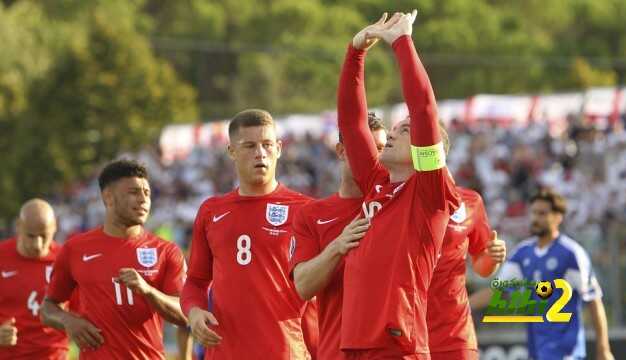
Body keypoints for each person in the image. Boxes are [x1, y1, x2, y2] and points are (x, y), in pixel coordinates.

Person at [337, 11, 460, 358]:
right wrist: (355, 52)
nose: (391, 133)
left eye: (402, 131)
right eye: (393, 129)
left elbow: (422, 110)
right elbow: (351, 122)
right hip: (355, 345)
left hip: (397, 345)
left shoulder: (430, 189)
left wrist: (403, 41)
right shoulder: (377, 183)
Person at [180, 109, 314, 359]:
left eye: (267, 145)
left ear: (280, 148)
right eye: (250, 146)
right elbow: (196, 281)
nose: (260, 153)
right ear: (231, 151)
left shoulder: (305, 210)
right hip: (224, 352)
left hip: (285, 351)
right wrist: (194, 310)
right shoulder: (211, 211)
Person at [41, 159, 188, 359]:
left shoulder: (166, 251)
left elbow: (185, 314)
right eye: (134, 192)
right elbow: (48, 308)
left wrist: (148, 291)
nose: (143, 200)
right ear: (108, 197)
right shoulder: (75, 249)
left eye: (147, 193)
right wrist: (68, 321)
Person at [470, 188, 614, 360]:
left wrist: (603, 348)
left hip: (566, 350)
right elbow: (497, 291)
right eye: (533, 213)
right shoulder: (523, 253)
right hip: (536, 347)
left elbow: (593, 300)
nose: (535, 218)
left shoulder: (571, 254)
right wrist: (463, 307)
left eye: (542, 213)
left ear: (558, 217)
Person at [291, 113, 387, 359]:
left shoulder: (397, 205)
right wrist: (338, 246)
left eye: (380, 148)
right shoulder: (312, 214)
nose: (374, 158)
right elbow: (303, 287)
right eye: (364, 148)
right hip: (337, 352)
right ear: (341, 151)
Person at [426, 128, 507, 360]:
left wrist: (492, 255)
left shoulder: (470, 201)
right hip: (401, 334)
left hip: (453, 334)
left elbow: (482, 266)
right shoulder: (391, 198)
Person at [0, 199, 68, 359]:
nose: (37, 244)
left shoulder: (66, 260)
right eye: (30, 236)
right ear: (18, 226)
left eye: (44, 236)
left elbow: (84, 311)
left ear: (55, 227)